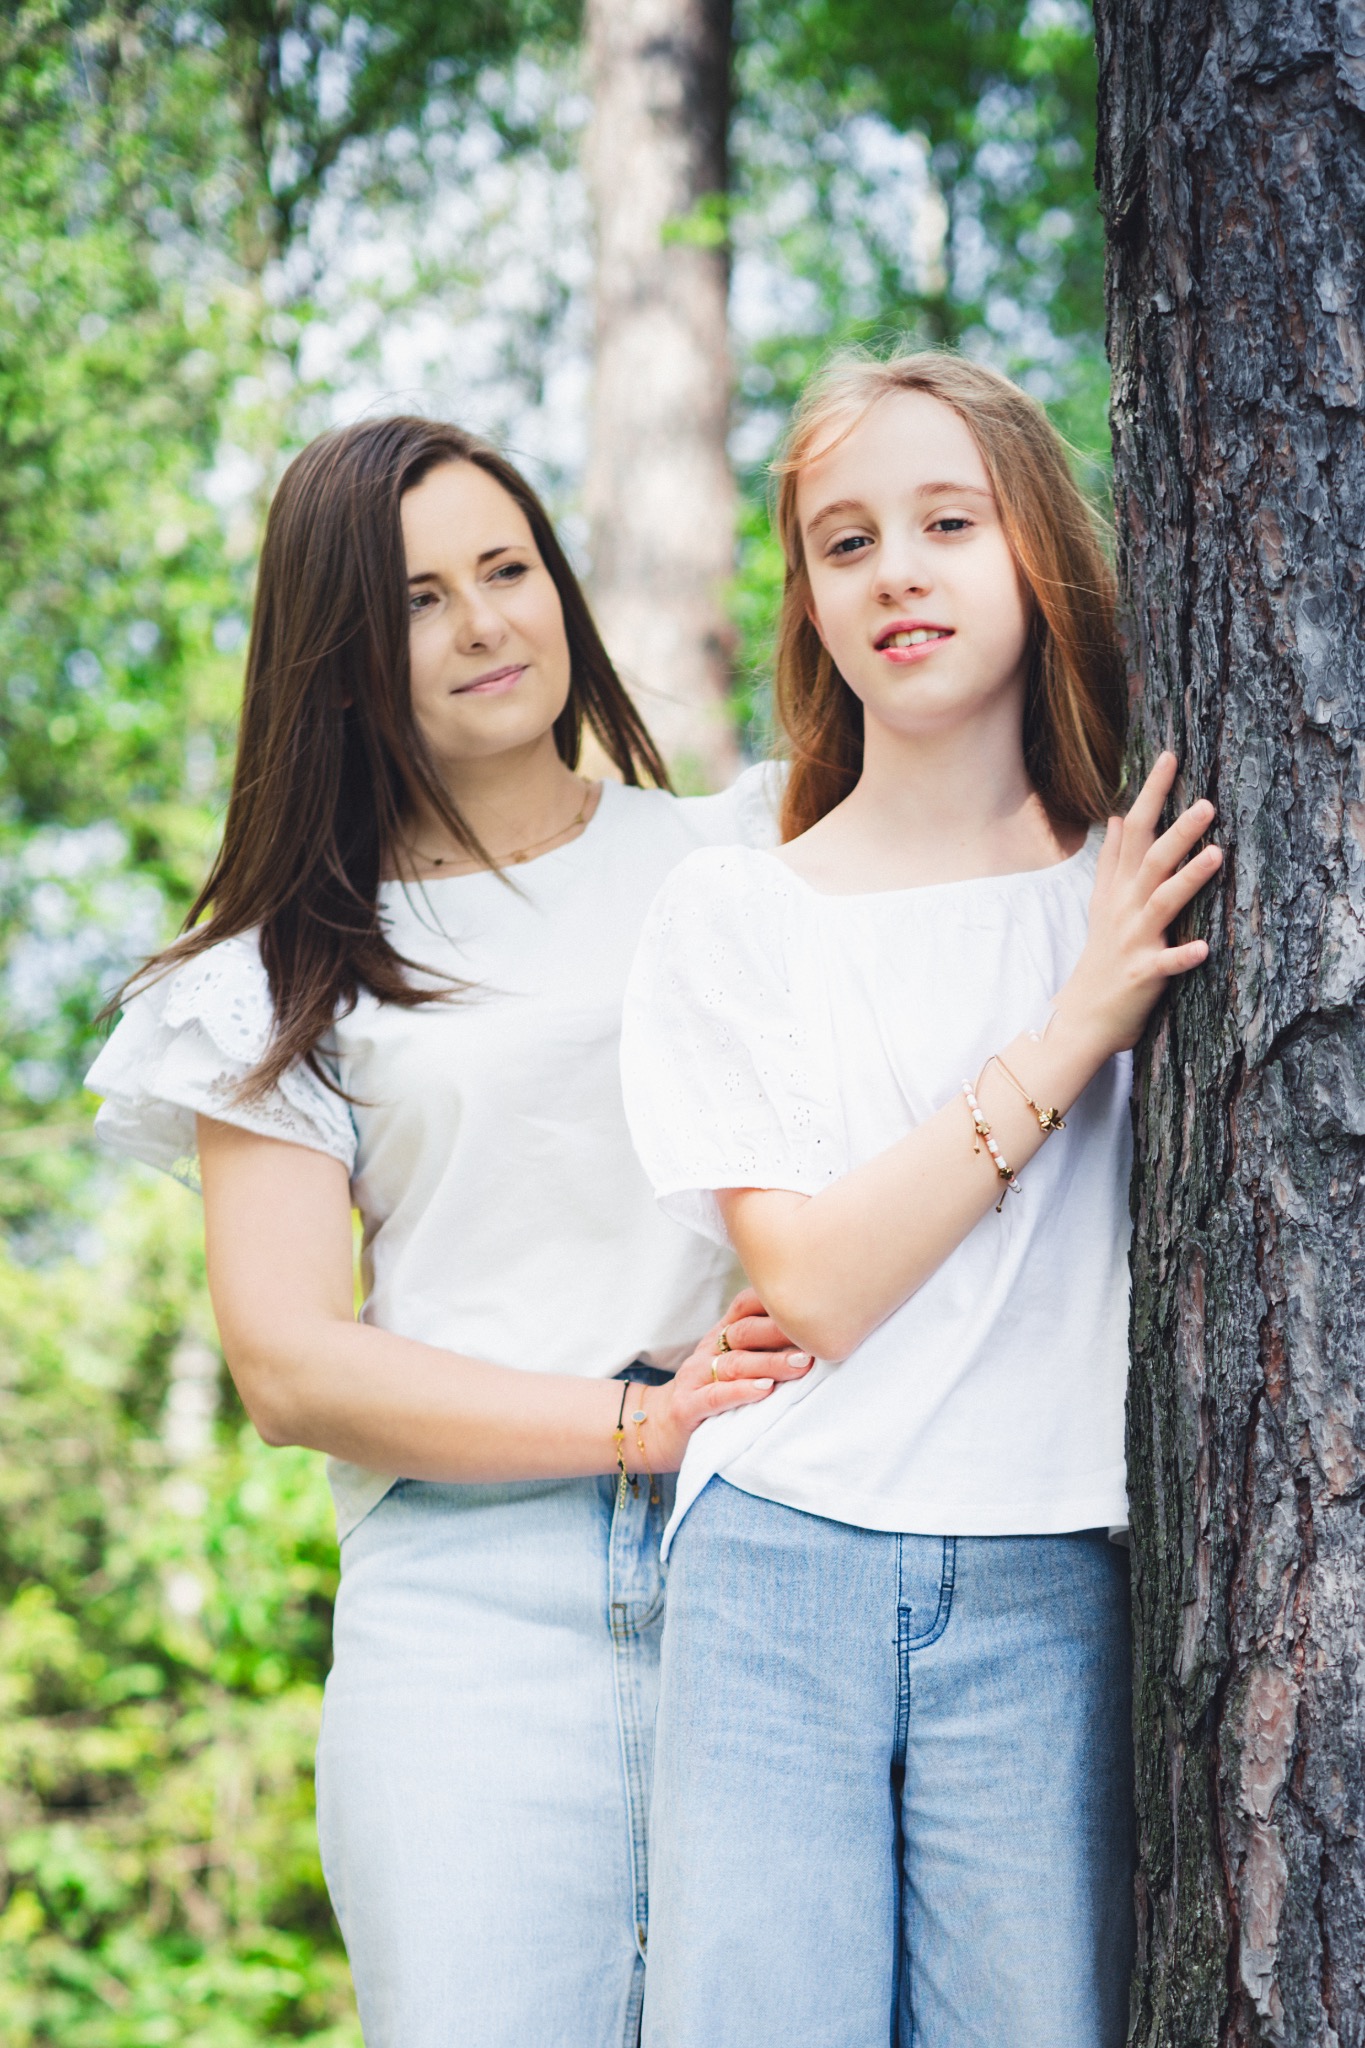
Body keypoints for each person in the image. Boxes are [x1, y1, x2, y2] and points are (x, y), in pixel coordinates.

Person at [85, 416, 813, 2048]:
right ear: (338, 661)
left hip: (771, 1562)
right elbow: (289, 1366)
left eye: (507, 569)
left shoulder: (748, 851)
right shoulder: (278, 969)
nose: (485, 623)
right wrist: (633, 1423)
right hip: (470, 1615)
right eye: (418, 600)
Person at [619, 350, 1223, 2048]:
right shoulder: (736, 912)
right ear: (807, 603)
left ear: (1034, 548)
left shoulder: (1132, 884)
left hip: (1056, 1581)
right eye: (845, 541)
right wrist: (1075, 1026)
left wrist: (1094, 972)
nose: (896, 571)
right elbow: (813, 1284)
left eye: (946, 523)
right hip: (780, 1564)